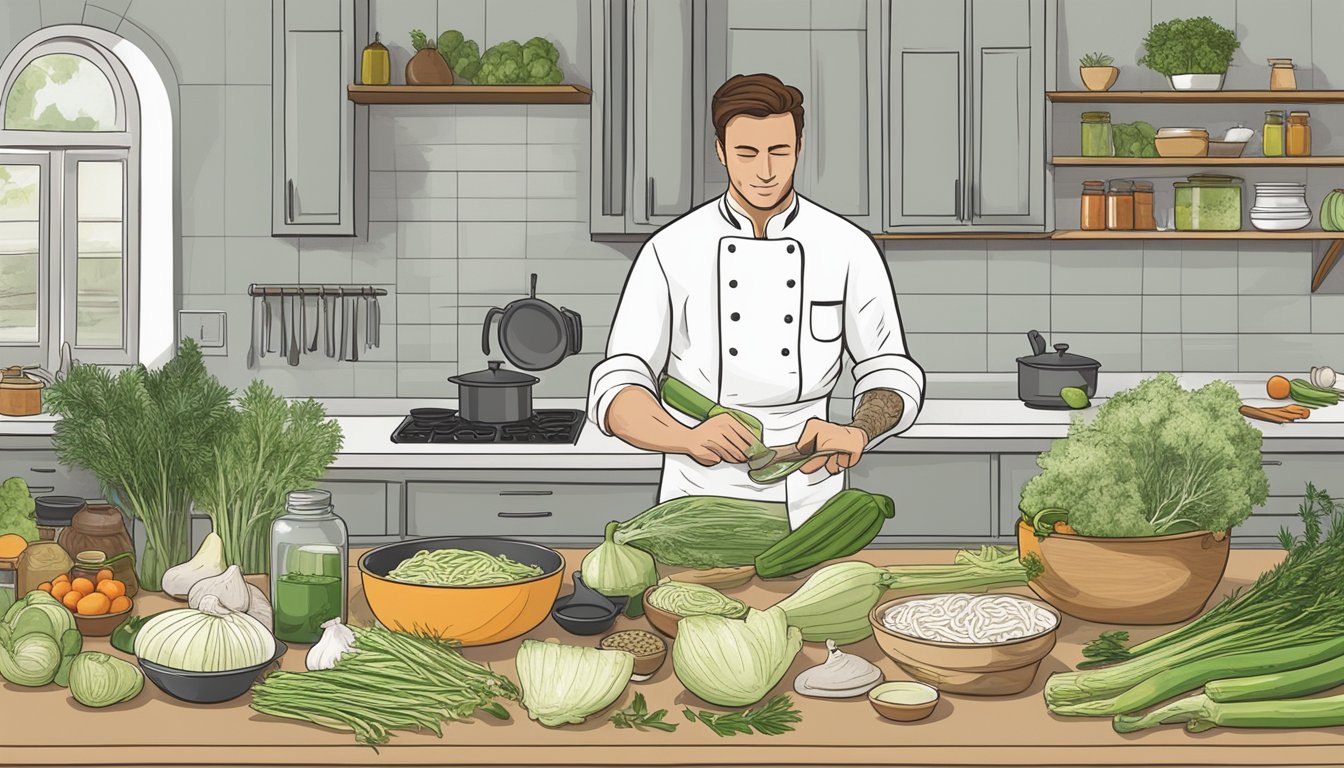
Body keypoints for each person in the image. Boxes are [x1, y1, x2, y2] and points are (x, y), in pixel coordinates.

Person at [586, 73, 925, 528]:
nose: (765, 171)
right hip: (699, 491)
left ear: (799, 146)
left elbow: (889, 371)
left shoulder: (848, 247)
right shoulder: (670, 249)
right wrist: (685, 438)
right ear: (720, 150)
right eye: (746, 153)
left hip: (811, 487)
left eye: (779, 151)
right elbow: (618, 385)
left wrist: (857, 430)